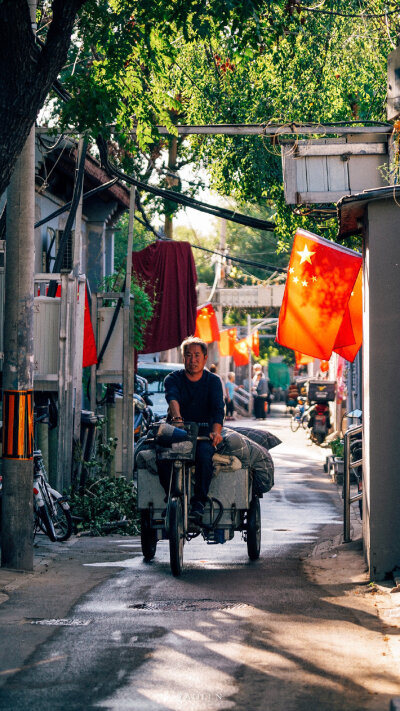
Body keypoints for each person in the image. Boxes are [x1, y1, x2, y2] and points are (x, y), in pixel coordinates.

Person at [160, 336, 224, 522]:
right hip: (178, 430)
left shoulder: (213, 381)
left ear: (205, 358)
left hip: (204, 433)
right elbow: (172, 398)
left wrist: (216, 432)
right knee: (162, 457)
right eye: (189, 355)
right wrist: (178, 420)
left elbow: (218, 409)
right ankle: (170, 499)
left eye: (197, 355)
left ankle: (199, 503)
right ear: (183, 358)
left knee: (204, 457)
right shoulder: (173, 378)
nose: (193, 360)